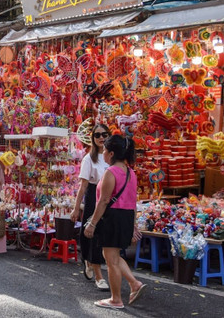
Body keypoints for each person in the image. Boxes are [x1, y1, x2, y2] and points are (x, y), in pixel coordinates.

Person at [84, 134, 146, 310]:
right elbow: (133, 203)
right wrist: (132, 225)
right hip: (125, 217)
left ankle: (116, 299)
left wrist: (92, 223)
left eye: (104, 150)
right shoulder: (131, 173)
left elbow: (103, 201)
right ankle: (134, 284)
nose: (103, 153)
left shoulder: (110, 172)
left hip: (112, 218)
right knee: (113, 256)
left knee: (111, 260)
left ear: (111, 154)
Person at [71, 123, 110, 291]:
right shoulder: (89, 158)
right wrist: (75, 208)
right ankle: (99, 276)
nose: (101, 138)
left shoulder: (112, 157)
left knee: (104, 237)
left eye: (104, 134)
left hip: (109, 199)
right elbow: (83, 186)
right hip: (94, 197)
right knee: (93, 236)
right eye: (98, 135)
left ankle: (89, 260)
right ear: (93, 139)